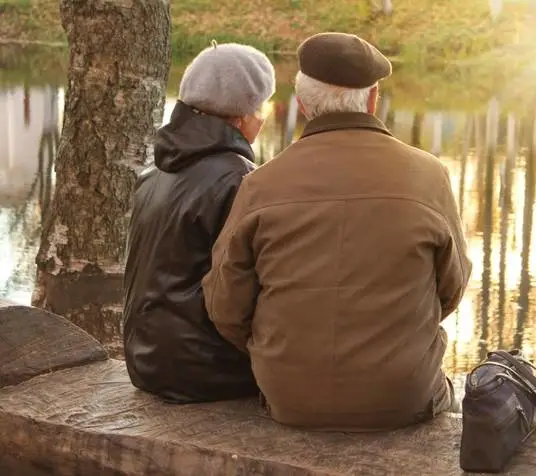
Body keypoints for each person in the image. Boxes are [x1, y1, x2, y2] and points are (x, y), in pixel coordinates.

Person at [202, 32, 472, 430]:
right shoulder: (428, 175)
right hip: (403, 396)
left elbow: (225, 305)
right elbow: (452, 288)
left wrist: (279, 352)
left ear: (303, 105)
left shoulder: (261, 183)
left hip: (289, 396)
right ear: (373, 98)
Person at [123, 42, 275, 403]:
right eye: (265, 106)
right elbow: (244, 293)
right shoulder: (241, 181)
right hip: (206, 369)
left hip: (144, 358)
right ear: (241, 117)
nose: (266, 117)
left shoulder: (154, 173)